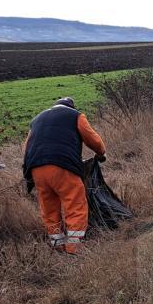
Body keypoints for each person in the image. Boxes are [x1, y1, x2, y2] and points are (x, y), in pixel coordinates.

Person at [23, 97, 106, 253]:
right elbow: (92, 139)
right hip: (62, 166)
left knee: (49, 208)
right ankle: (74, 248)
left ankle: (57, 245)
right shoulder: (75, 115)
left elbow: (27, 147)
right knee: (74, 203)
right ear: (71, 106)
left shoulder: (37, 119)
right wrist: (101, 153)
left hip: (36, 169)